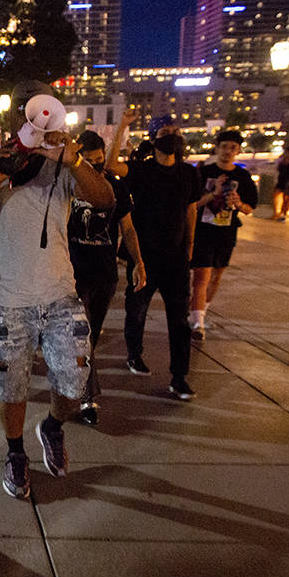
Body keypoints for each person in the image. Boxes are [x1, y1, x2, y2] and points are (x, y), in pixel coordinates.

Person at [0, 94, 114, 499]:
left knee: (75, 385)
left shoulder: (61, 169)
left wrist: (74, 158)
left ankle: (53, 427)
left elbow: (105, 200)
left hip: (61, 296)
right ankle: (15, 452)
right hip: (9, 301)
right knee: (12, 389)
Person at [106, 111, 202, 400]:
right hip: (143, 259)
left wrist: (190, 248)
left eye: (175, 131)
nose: (172, 137)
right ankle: (134, 354)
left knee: (179, 321)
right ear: (153, 138)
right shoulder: (140, 170)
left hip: (176, 260)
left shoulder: (189, 173)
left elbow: (191, 210)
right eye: (164, 133)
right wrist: (122, 127)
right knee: (137, 312)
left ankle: (179, 377)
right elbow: (111, 166)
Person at [67, 130, 147, 425]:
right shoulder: (69, 185)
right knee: (82, 338)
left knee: (91, 338)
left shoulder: (116, 187)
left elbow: (127, 229)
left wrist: (138, 262)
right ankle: (87, 397)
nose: (97, 168)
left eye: (100, 162)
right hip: (73, 275)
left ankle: (75, 378)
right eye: (89, 163)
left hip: (105, 275)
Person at [189, 130, 257, 340]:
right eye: (224, 147)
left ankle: (200, 312)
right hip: (203, 230)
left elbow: (249, 209)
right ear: (217, 148)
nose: (228, 151)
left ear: (238, 151)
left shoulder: (243, 177)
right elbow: (192, 204)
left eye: (233, 148)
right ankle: (197, 324)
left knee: (217, 276)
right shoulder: (202, 171)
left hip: (226, 232)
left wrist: (238, 203)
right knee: (201, 276)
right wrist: (213, 194)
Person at [271, 145, 289, 219]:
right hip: (281, 180)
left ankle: (283, 213)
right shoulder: (282, 161)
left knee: (286, 198)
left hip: (288, 181)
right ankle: (276, 212)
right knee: (275, 196)